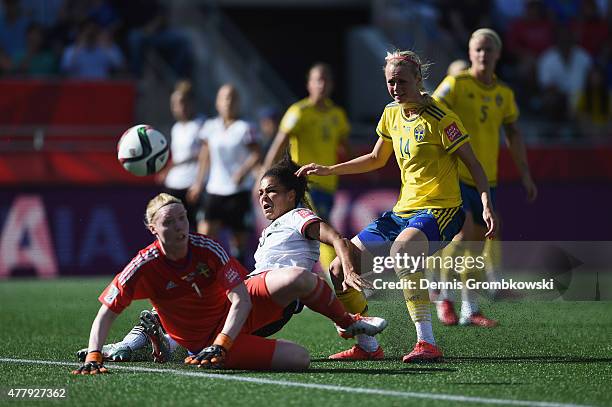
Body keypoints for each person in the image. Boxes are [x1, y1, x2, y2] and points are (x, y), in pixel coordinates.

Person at [296, 49, 497, 363]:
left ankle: (426, 342)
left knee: (402, 251)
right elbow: (376, 158)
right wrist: (329, 169)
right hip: (403, 211)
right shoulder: (391, 113)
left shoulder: (442, 119)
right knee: (339, 266)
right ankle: (366, 345)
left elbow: (474, 165)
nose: (396, 87)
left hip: (442, 210)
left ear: (418, 79)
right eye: (391, 82)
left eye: (402, 81)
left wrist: (485, 203)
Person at [72, 192, 387, 374]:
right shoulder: (143, 265)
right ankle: (158, 344)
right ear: (153, 229)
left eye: (182, 218)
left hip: (229, 329)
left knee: (300, 285)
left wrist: (221, 342)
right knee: (300, 359)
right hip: (203, 341)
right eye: (169, 222)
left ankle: (350, 322)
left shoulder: (208, 249)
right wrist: (93, 357)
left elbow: (241, 298)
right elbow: (107, 312)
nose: (179, 226)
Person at [432, 28, 537, 327]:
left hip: (485, 180)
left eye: (488, 49)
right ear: (469, 52)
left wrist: (526, 174)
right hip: (456, 173)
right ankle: (444, 297)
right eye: (478, 49)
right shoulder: (456, 84)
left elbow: (514, 133)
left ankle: (470, 309)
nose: (483, 54)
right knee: (463, 237)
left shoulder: (504, 94)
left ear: (498, 54)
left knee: (478, 244)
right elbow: (432, 107)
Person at [262, 63, 351, 277]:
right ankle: (332, 274)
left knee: (315, 229)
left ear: (331, 85)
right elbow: (279, 143)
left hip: (329, 183)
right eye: (317, 79)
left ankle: (307, 274)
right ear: (308, 84)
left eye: (325, 80)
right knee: (320, 228)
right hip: (303, 184)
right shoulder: (298, 112)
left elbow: (345, 146)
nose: (321, 84)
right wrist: (265, 175)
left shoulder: (337, 115)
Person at [187, 84, 261, 264]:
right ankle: (206, 279)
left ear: (238, 102)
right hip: (215, 189)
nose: (229, 102)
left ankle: (240, 280)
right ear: (217, 103)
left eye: (233, 98)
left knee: (239, 244)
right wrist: (198, 182)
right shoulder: (210, 127)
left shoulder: (245, 127)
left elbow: (257, 154)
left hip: (238, 191)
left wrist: (243, 171)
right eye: (225, 98)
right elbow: (205, 155)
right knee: (204, 237)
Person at [156, 80, 205, 229]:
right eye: (175, 104)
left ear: (191, 103)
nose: (178, 107)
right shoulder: (176, 128)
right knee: (173, 228)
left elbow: (204, 156)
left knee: (193, 228)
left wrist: (198, 183)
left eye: (182, 102)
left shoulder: (201, 124)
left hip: (191, 186)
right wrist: (167, 170)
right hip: (174, 184)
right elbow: (178, 157)